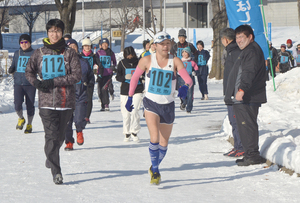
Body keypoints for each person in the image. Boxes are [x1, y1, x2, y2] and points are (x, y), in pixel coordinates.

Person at [125, 31, 193, 185]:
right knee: (154, 138)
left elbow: (189, 80)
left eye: (168, 43)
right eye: (162, 44)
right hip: (151, 103)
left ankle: (154, 165)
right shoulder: (147, 60)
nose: (165, 46)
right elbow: (135, 78)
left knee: (164, 143)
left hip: (168, 105)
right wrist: (130, 97)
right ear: (154, 45)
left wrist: (185, 87)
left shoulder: (175, 61)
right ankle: (155, 170)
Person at [25, 19, 82, 184]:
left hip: (66, 102)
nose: (54, 34)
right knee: (51, 136)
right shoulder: (39, 53)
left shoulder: (69, 53)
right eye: (51, 31)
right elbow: (29, 72)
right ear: (47, 33)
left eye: (57, 31)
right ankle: (57, 172)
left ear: (62, 33)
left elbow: (76, 76)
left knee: (59, 137)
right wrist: (36, 83)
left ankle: (51, 155)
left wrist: (53, 81)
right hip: (46, 101)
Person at [224, 24, 267, 166]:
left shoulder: (252, 51)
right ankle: (249, 153)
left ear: (250, 37)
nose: (239, 40)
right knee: (245, 126)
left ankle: (252, 155)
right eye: (237, 37)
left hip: (248, 96)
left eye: (242, 37)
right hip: (244, 96)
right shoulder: (247, 50)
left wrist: (241, 90)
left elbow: (249, 72)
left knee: (247, 125)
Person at [64, 39, 94, 150]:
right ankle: (69, 142)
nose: (72, 48)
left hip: (81, 93)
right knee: (67, 122)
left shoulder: (84, 62)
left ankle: (79, 130)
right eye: (70, 46)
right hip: (66, 95)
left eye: (74, 46)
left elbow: (91, 76)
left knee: (79, 118)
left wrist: (89, 85)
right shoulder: (62, 62)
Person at [220, 28, 244, 158]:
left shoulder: (235, 52)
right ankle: (237, 146)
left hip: (235, 93)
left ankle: (240, 147)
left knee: (236, 121)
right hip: (231, 92)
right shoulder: (230, 52)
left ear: (226, 39)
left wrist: (232, 92)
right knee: (232, 121)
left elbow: (236, 75)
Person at [8, 34, 36, 134]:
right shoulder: (17, 53)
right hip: (18, 83)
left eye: (26, 42)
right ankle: (21, 118)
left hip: (30, 84)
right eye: (21, 42)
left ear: (29, 42)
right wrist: (11, 69)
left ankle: (29, 124)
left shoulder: (34, 53)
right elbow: (13, 65)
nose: (24, 44)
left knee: (30, 105)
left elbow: (38, 66)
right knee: (17, 104)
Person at [116, 46, 144, 142]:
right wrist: (124, 78)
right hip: (125, 90)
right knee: (126, 113)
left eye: (131, 54)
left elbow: (144, 73)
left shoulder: (139, 62)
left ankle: (134, 131)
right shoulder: (122, 63)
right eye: (127, 55)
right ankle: (126, 132)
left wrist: (140, 77)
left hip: (138, 89)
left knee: (135, 111)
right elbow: (117, 77)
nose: (129, 57)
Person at [80, 38, 103, 123]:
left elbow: (100, 65)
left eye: (89, 46)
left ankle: (87, 116)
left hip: (90, 79)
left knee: (89, 98)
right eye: (85, 46)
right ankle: (80, 115)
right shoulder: (79, 55)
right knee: (80, 98)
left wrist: (99, 75)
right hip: (80, 79)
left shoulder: (93, 56)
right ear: (83, 47)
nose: (87, 48)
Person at [96, 38, 116, 111]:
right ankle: (102, 104)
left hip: (108, 73)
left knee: (105, 89)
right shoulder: (98, 53)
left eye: (106, 44)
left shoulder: (111, 52)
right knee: (100, 90)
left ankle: (106, 104)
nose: (105, 45)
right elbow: (95, 62)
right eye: (103, 44)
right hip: (100, 73)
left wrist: (113, 67)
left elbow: (114, 61)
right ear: (100, 45)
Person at [178, 46, 198, 113]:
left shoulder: (192, 62)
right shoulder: (180, 62)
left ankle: (189, 108)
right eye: (183, 52)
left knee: (190, 94)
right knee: (182, 93)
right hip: (181, 78)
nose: (184, 54)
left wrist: (195, 72)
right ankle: (183, 103)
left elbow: (197, 69)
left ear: (189, 54)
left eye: (186, 52)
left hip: (189, 78)